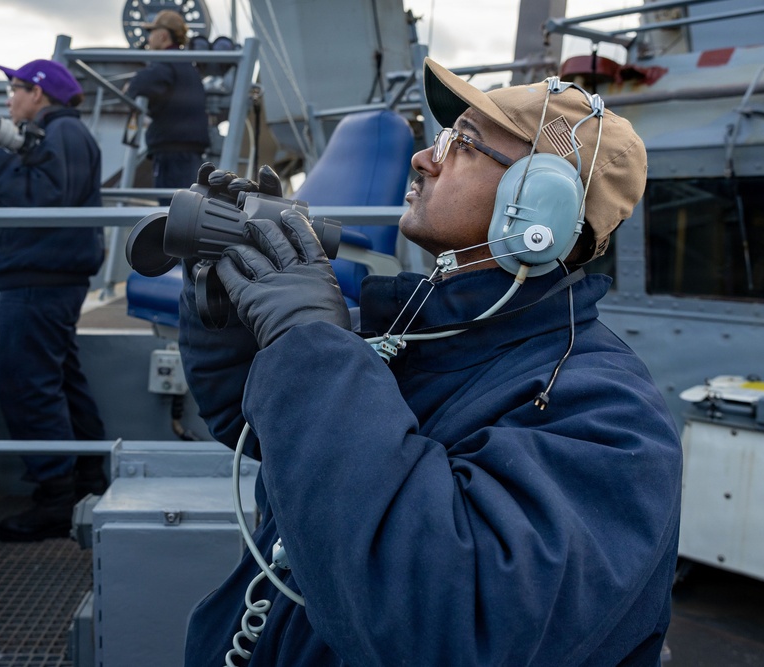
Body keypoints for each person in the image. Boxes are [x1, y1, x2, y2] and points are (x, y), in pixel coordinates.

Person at [176, 57, 683, 665]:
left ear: (536, 206)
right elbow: (263, 434)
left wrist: (308, 338)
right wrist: (233, 308)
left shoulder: (611, 416)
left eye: (461, 144)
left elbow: (445, 626)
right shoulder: (425, 328)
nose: (423, 158)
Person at [0, 59, 108, 542]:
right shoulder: (59, 135)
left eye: (15, 89)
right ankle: (87, 481)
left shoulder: (62, 133)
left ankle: (55, 502)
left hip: (37, 282)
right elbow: (42, 191)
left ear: (39, 94)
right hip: (45, 277)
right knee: (60, 382)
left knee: (28, 389)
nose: (9, 99)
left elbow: (44, 201)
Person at [125, 9, 210, 204]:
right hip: (186, 154)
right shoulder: (186, 65)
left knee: (172, 212)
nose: (148, 39)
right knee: (187, 211)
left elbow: (142, 84)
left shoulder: (166, 62)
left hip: (172, 156)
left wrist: (132, 84)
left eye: (151, 32)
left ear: (162, 35)